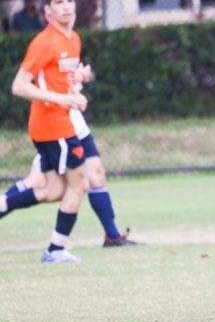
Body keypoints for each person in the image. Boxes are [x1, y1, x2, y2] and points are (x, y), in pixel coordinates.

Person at [1, 0, 91, 263]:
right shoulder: (44, 42)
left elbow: (60, 81)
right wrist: (62, 99)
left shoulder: (73, 39)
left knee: (53, 190)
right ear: (48, 11)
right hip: (53, 126)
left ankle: (3, 204)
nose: (66, 7)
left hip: (58, 123)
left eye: (69, 1)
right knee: (80, 184)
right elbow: (19, 86)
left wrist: (76, 86)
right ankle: (55, 250)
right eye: (59, 2)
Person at [2, 92, 140, 248]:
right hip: (56, 125)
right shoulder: (43, 77)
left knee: (96, 176)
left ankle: (111, 236)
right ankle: (56, 250)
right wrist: (64, 96)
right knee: (41, 184)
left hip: (74, 123)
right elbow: (24, 87)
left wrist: (75, 89)